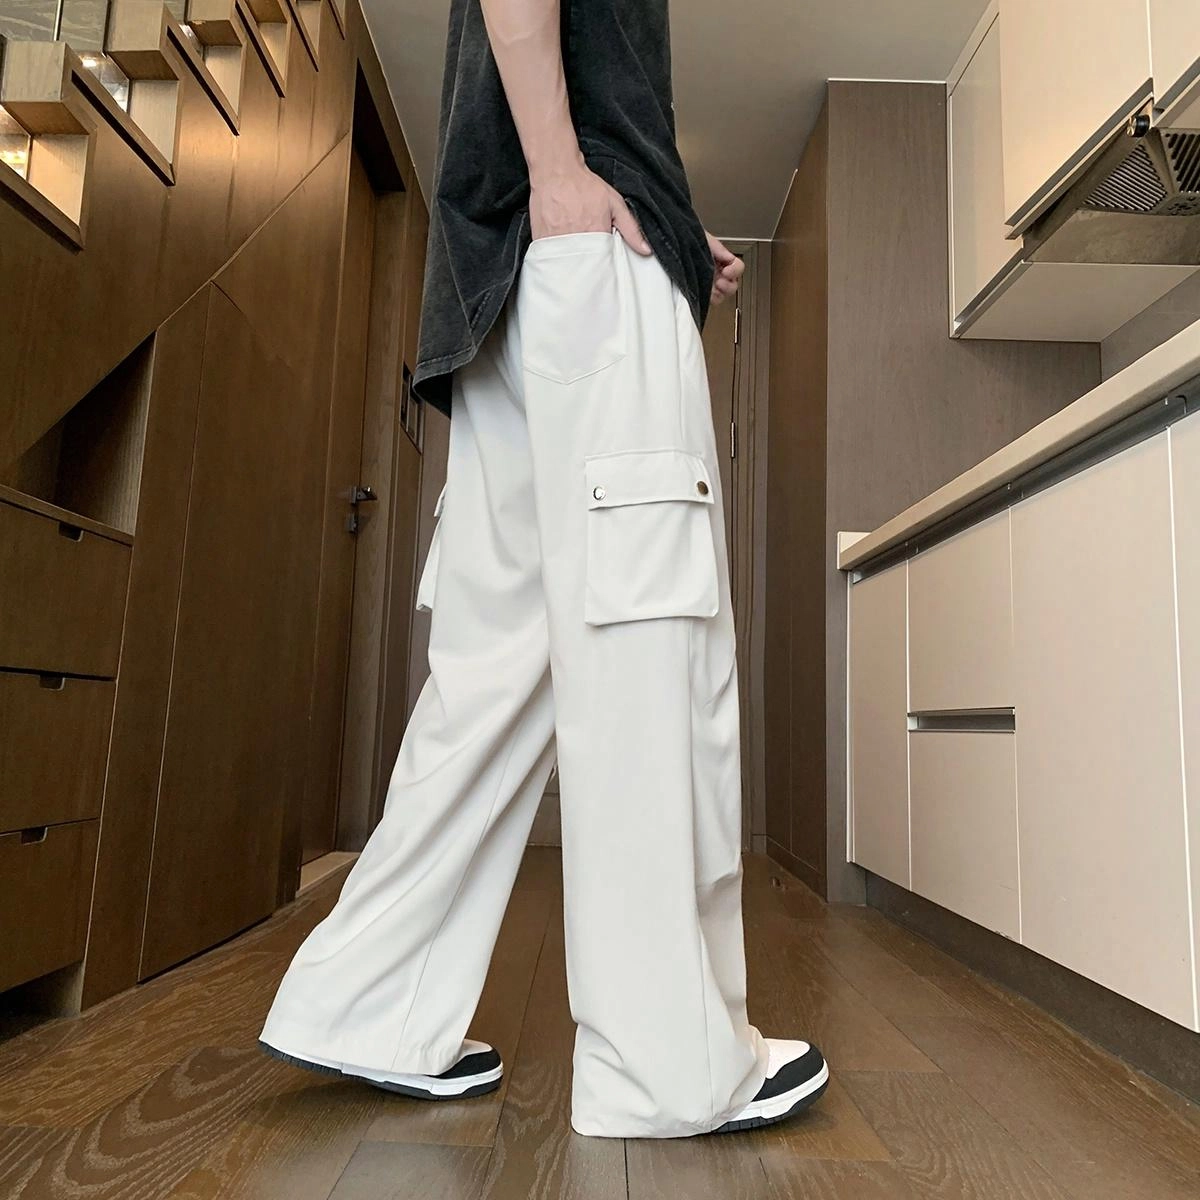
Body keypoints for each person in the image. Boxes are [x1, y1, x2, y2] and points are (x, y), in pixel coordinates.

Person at [257, 0, 829, 1138]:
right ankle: (667, 1066)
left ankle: (365, 1004)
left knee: (497, 678)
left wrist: (665, 220)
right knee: (646, 661)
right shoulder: (562, 185)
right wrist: (563, 169)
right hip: (579, 265)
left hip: (509, 283)